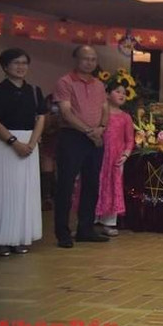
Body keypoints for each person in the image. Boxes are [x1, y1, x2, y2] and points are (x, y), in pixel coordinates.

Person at [54, 45, 109, 247]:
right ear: (76, 59)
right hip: (72, 137)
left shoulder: (99, 84)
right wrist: (88, 131)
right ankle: (63, 233)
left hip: (96, 138)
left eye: (93, 59)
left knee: (92, 184)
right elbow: (66, 113)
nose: (89, 63)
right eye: (85, 58)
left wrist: (101, 128)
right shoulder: (65, 82)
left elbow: (105, 109)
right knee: (66, 186)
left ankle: (85, 229)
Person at [0, 48, 46, 256]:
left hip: (30, 144)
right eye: (16, 63)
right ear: (5, 67)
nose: (21, 67)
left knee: (25, 191)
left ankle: (19, 237)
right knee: (4, 191)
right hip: (4, 143)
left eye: (24, 62)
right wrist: (14, 142)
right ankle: (1, 239)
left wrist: (31, 143)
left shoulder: (34, 90)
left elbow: (41, 117)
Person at [94, 79, 134, 237]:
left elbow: (130, 139)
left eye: (124, 93)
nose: (122, 95)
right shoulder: (99, 113)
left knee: (113, 187)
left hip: (116, 158)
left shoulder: (125, 117)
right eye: (117, 91)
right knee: (94, 185)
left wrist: (125, 154)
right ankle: (88, 219)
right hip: (98, 154)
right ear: (107, 94)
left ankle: (108, 222)